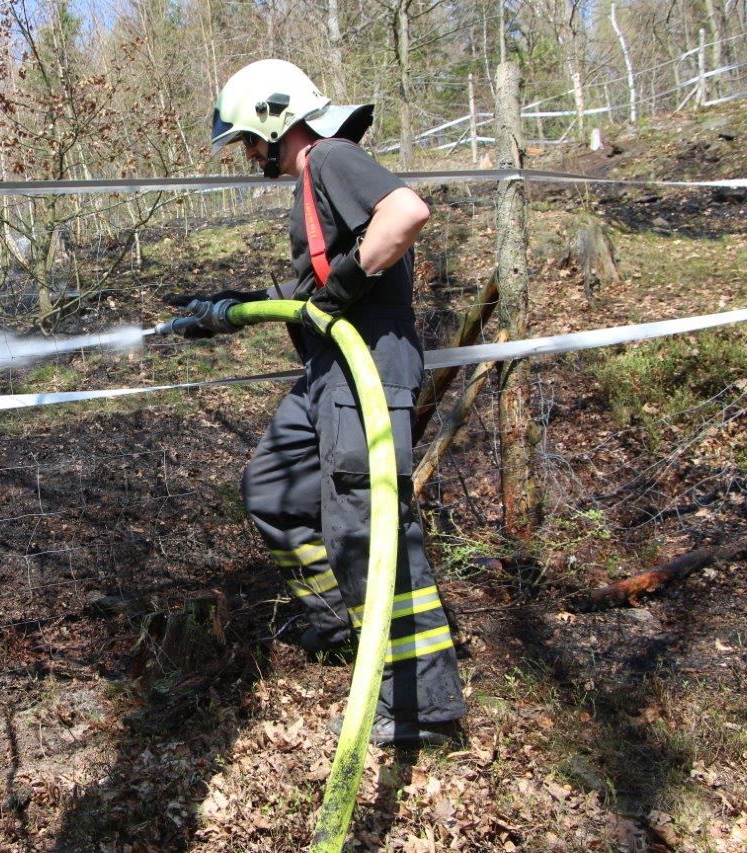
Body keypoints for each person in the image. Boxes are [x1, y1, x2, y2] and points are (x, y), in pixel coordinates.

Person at [167, 59, 465, 745]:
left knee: (369, 528)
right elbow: (320, 292)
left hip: (365, 371)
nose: (247, 153)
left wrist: (341, 290)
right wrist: (232, 310)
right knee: (271, 487)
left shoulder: (332, 157)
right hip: (328, 374)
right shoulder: (312, 180)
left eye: (248, 138)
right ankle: (339, 623)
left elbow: (406, 212)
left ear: (276, 121)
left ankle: (424, 708)